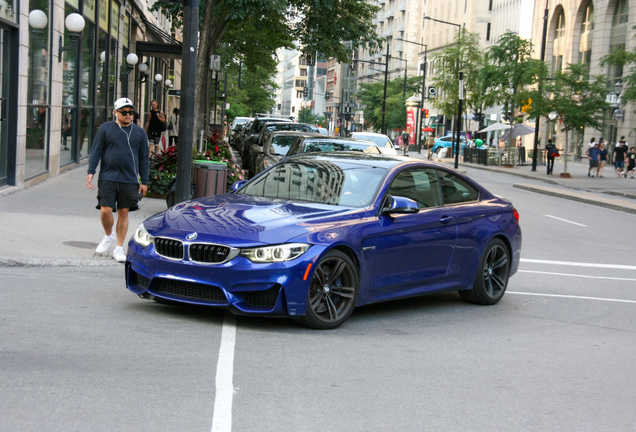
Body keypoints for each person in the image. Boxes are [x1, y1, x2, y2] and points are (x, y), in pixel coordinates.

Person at [87, 98, 149, 263]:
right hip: (108, 176)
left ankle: (119, 248)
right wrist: (91, 171)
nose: (128, 115)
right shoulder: (105, 128)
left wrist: (145, 181)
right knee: (106, 210)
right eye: (124, 112)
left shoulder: (140, 132)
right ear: (116, 112)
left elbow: (144, 159)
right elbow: (96, 151)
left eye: (131, 112)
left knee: (123, 212)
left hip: (129, 178)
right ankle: (109, 235)